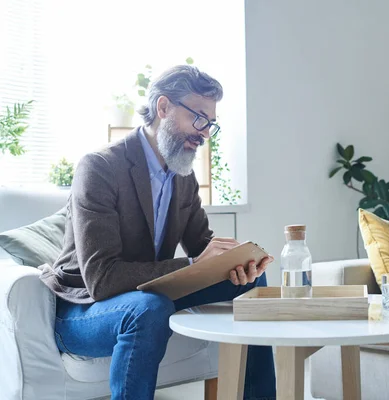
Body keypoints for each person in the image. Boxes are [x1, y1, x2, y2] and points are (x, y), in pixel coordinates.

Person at [39, 65, 276, 400]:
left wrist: (235, 261)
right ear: (163, 108)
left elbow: (201, 246)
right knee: (149, 307)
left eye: (210, 123)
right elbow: (102, 279)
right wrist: (195, 262)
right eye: (199, 118)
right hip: (85, 310)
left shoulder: (183, 176)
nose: (205, 132)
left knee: (250, 282)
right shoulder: (100, 168)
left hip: (148, 295)